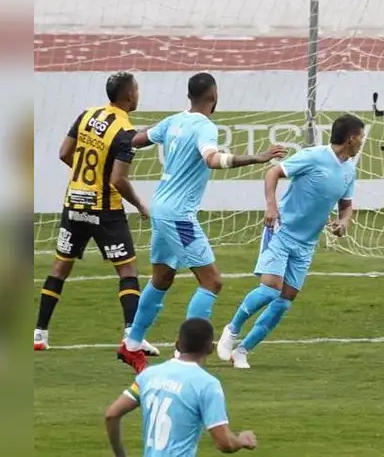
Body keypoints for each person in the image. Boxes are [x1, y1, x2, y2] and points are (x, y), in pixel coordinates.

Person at [117, 73, 286, 373]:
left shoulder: (173, 121)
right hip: (179, 214)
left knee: (162, 278)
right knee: (212, 281)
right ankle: (185, 355)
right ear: (214, 95)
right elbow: (211, 159)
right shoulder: (205, 127)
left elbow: (137, 139)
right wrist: (257, 158)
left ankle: (132, 344)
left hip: (161, 207)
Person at [216, 114, 362, 369]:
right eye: (360, 136)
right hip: (283, 230)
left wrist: (344, 222)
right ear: (351, 139)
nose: (362, 141)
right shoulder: (314, 156)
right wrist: (271, 206)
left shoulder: (350, 168)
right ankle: (232, 329)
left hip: (307, 243)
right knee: (270, 289)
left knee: (284, 301)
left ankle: (242, 351)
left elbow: (346, 205)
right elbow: (273, 172)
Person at [34, 72, 158, 356]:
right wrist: (139, 204)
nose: (138, 94)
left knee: (60, 266)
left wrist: (85, 181)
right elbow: (117, 180)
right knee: (127, 269)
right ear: (128, 96)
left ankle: (39, 333)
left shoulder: (87, 115)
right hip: (105, 209)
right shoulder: (123, 133)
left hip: (74, 203)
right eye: (136, 90)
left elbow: (65, 152)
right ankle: (131, 335)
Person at [104, 318, 258, 456]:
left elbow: (112, 414)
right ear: (210, 349)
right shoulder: (207, 385)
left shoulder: (148, 375)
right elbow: (225, 444)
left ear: (177, 344)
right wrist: (241, 440)